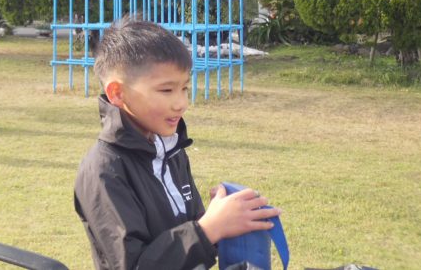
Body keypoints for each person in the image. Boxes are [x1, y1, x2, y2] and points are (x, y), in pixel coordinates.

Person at [74, 16, 281, 270]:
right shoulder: (103, 171)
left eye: (184, 88)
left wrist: (221, 218)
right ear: (118, 93)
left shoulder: (171, 150)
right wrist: (208, 229)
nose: (181, 103)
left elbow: (188, 233)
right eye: (166, 90)